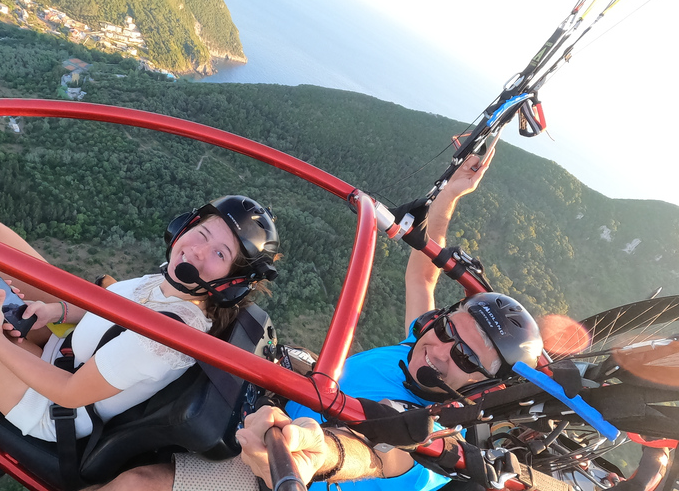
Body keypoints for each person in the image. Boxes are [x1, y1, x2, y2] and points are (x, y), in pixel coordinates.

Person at [85, 152, 544, 491]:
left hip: (281, 472)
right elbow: (423, 273)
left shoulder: (433, 438)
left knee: (138, 484)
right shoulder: (421, 346)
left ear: (483, 385)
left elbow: (376, 457)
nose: (440, 350)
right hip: (279, 410)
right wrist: (450, 194)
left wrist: (313, 452)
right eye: (447, 330)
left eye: (465, 355)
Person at [0, 195, 279, 443]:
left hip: (53, 405)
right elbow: (111, 306)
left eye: (219, 252)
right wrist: (59, 311)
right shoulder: (170, 280)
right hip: (66, 348)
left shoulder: (168, 335)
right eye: (201, 233)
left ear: (231, 280)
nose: (197, 250)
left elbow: (69, 395)